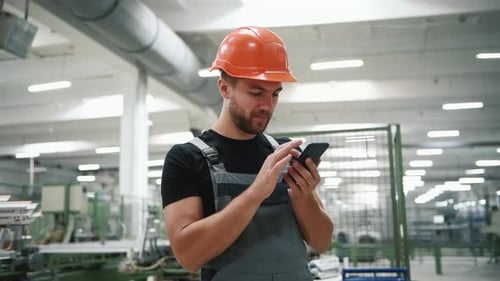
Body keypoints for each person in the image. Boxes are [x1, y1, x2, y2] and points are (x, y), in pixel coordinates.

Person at [161, 26, 334, 281]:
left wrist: (304, 197)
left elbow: (321, 242)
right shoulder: (186, 158)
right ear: (224, 88)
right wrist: (256, 192)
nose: (267, 105)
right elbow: (189, 257)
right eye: (256, 92)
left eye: (275, 94)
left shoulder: (285, 153)